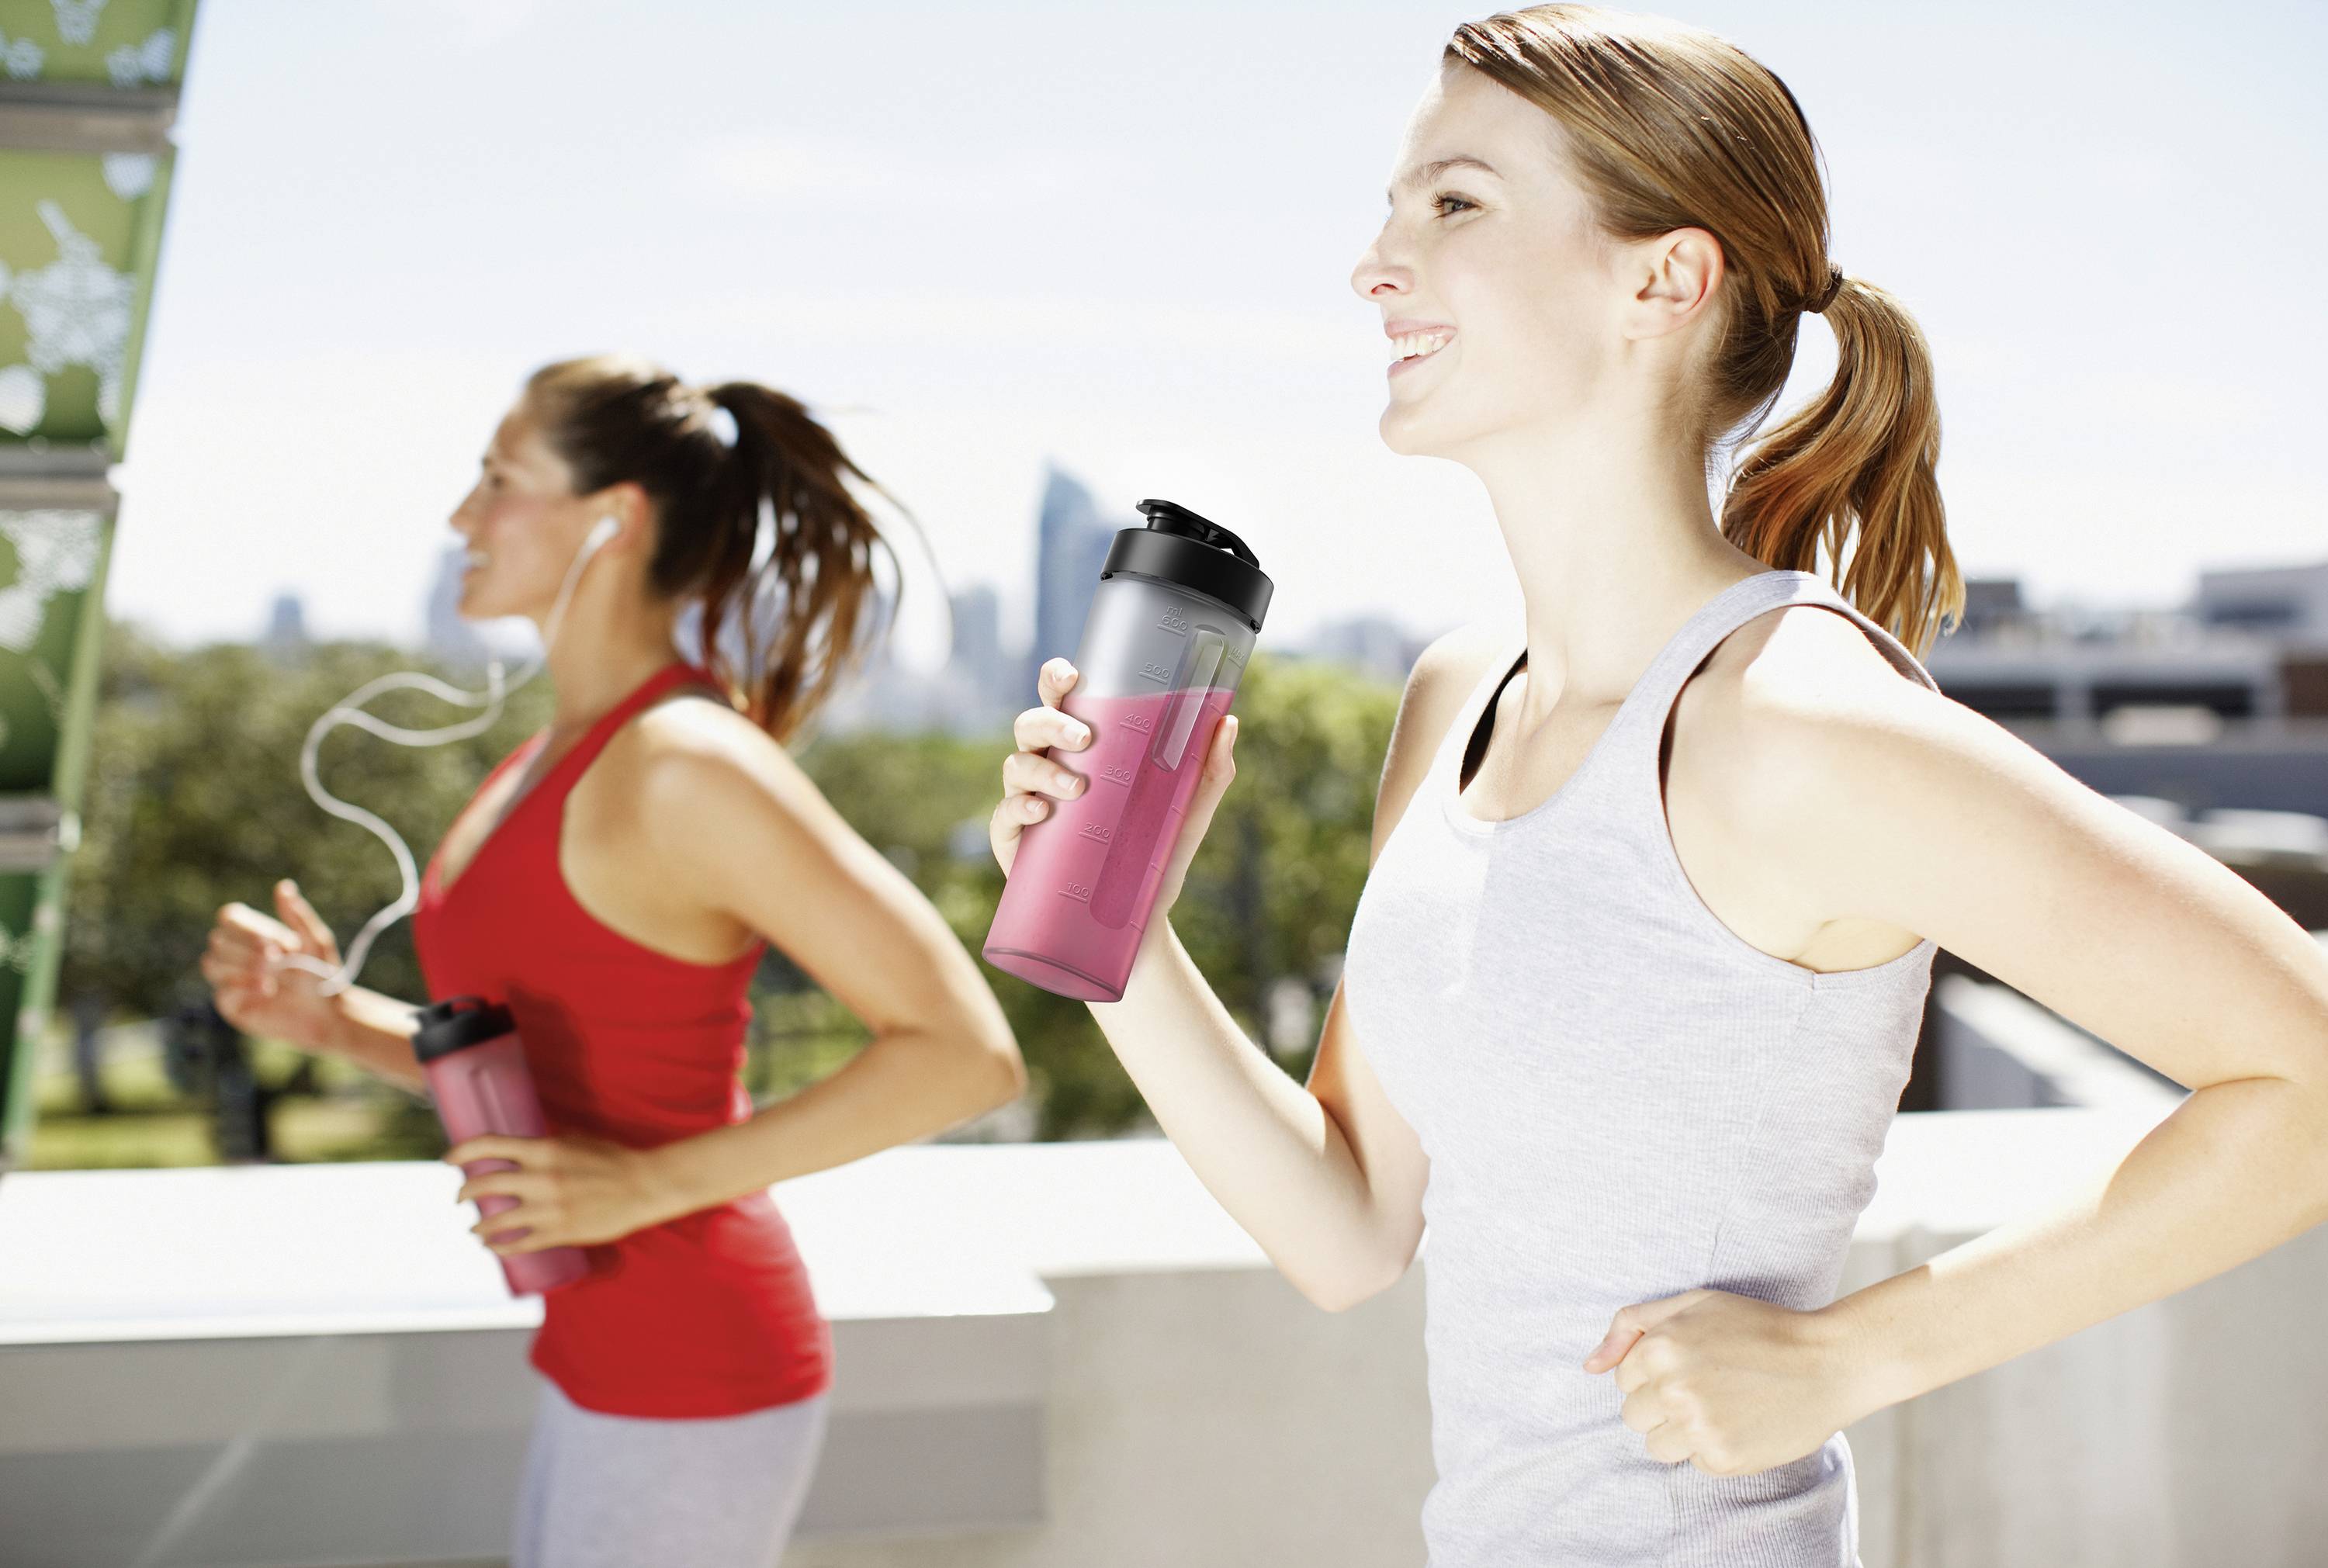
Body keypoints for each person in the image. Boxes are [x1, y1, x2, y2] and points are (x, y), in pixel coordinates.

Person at [989, 7, 2328, 1564]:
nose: (1375, 265)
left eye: (1456, 202)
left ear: (1663, 280)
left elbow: (2302, 1072)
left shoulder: (1799, 726)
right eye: (1392, 206)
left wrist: (1848, 1359)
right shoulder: (1457, 700)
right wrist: (1123, 932)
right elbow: (1349, 1228)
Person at [203, 354, 1027, 1568]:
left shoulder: (685, 764)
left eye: (498, 479)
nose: (462, 517)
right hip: (597, 1352)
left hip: (696, 1369)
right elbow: (538, 1071)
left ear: (614, 517)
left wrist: (642, 1188)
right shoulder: (551, 756)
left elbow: (967, 1054)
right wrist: (332, 1021)